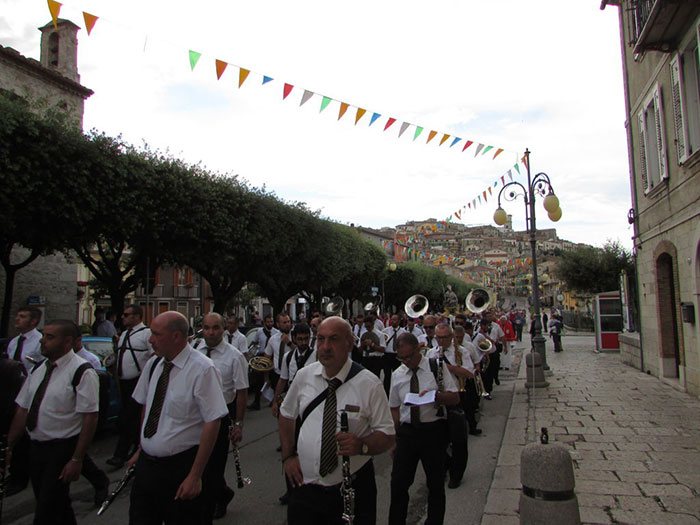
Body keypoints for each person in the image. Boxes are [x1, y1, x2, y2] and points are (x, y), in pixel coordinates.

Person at [279, 317, 395, 525]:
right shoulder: (304, 376)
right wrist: (287, 456)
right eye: (320, 339)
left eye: (333, 339)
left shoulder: (369, 384)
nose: (325, 347)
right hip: (305, 487)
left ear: (349, 343)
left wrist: (363, 445)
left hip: (353, 488)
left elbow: (387, 435)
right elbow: (286, 414)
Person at [127, 311, 229, 525]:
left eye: (157, 334)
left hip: (181, 466)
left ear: (176, 336)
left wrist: (195, 475)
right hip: (148, 466)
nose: (150, 339)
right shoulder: (154, 365)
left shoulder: (202, 369)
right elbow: (148, 405)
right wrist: (142, 446)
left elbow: (213, 422)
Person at [6, 319, 99, 525]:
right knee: (55, 504)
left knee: (46, 509)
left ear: (67, 342)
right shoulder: (39, 369)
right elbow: (23, 408)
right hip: (37, 445)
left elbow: (90, 417)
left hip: (62, 447)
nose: (43, 342)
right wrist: (9, 445)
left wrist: (77, 458)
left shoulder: (82, 372)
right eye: (43, 336)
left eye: (50, 337)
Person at [389, 332, 459, 525]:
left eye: (410, 356)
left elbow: (455, 397)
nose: (406, 361)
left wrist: (437, 397)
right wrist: (394, 439)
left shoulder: (436, 367)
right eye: (401, 357)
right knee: (398, 483)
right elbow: (394, 408)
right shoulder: (397, 375)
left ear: (418, 349)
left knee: (435, 483)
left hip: (433, 431)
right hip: (408, 433)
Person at [196, 313, 249, 521]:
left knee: (214, 465)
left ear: (223, 329)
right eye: (207, 328)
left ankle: (213, 502)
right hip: (198, 414)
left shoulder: (234, 356)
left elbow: (242, 392)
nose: (211, 332)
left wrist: (238, 424)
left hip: (221, 414)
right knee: (198, 462)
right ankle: (222, 492)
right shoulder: (195, 350)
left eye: (215, 328)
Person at [272, 322, 317, 505]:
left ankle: (311, 487)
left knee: (308, 448)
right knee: (289, 448)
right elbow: (283, 380)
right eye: (300, 339)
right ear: (294, 339)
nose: (303, 342)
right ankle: (291, 489)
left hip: (311, 404)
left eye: (306, 339)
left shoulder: (317, 355)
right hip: (292, 406)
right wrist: (275, 401)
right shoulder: (288, 356)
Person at [427, 324, 473, 488]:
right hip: (439, 397)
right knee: (436, 440)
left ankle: (456, 474)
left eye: (445, 337)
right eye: (438, 337)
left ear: (451, 336)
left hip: (457, 396)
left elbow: (469, 374)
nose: (441, 341)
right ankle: (446, 465)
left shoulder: (461, 352)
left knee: (458, 439)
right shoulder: (431, 353)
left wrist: (448, 368)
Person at [107, 304, 153, 468]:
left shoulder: (146, 334)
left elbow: (155, 356)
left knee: (127, 419)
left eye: (126, 315)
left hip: (138, 381)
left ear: (136, 316)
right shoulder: (124, 334)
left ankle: (120, 455)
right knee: (130, 419)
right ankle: (138, 448)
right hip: (123, 383)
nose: (123, 317)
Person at [71, 331, 110, 505]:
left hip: (76, 417)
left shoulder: (87, 363)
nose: (43, 341)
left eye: (50, 337)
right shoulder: (44, 366)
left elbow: (96, 395)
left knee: (76, 455)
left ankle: (100, 482)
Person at [0, 346, 28, 497]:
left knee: (19, 445)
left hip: (17, 398)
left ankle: (19, 478)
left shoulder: (37, 342)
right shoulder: (14, 343)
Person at [456, 323, 482, 436]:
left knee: (470, 406)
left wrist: (475, 373)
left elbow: (477, 362)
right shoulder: (451, 348)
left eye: (460, 337)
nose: (458, 339)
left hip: (468, 380)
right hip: (456, 381)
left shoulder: (469, 346)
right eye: (456, 337)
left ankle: (472, 427)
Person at [248, 315, 278, 411]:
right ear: (265, 322)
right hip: (261, 356)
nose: (270, 323)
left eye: (271, 321)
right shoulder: (259, 332)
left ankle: (273, 399)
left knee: (272, 378)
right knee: (258, 379)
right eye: (268, 322)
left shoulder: (276, 332)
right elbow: (254, 342)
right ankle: (257, 401)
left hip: (272, 356)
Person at [264, 313, 295, 394]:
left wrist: (289, 343)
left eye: (288, 322)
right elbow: (267, 358)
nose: (287, 324)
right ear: (278, 324)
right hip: (278, 375)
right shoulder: (273, 339)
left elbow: (301, 351)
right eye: (284, 323)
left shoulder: (295, 336)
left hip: (292, 374)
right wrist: (267, 377)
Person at [6, 306, 43, 374]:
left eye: (22, 317)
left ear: (33, 321)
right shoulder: (14, 342)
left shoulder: (40, 341)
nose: (17, 319)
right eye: (17, 316)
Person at [382, 314, 406, 394]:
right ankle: (386, 393)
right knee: (387, 376)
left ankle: (396, 392)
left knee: (397, 375)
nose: (392, 321)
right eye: (391, 319)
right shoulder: (386, 331)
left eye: (395, 320)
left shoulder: (403, 332)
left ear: (399, 321)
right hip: (387, 355)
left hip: (397, 355)